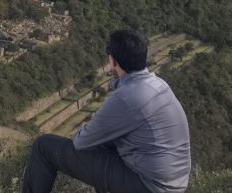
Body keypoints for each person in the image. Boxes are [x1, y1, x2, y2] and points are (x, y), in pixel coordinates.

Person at [21, 30, 191, 193]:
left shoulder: (126, 97)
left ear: (113, 61)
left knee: (44, 146)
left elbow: (81, 142)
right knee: (105, 147)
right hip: (174, 182)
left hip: (149, 186)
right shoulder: (159, 83)